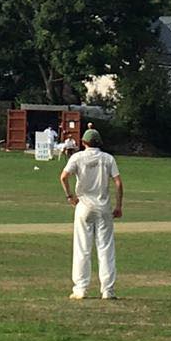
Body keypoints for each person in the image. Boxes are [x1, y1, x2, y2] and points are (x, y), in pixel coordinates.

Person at [60, 128, 122, 299]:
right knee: (106, 249)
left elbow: (63, 177)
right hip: (103, 207)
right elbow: (118, 183)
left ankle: (80, 289)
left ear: (83, 142)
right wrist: (119, 206)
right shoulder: (108, 158)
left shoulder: (77, 157)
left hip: (84, 206)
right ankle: (108, 290)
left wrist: (69, 196)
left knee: (82, 249)